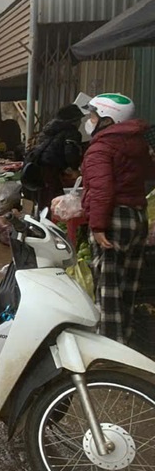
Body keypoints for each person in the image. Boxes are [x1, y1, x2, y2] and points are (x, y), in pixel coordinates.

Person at [80, 93, 155, 344]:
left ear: (106, 118)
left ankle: (111, 350)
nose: (89, 120)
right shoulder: (138, 143)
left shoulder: (101, 148)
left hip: (113, 218)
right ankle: (126, 339)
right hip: (137, 218)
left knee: (108, 289)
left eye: (92, 115)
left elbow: (103, 189)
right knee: (127, 287)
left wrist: (98, 226)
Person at [22, 104, 84, 214]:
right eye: (79, 120)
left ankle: (42, 220)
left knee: (44, 197)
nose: (81, 123)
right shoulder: (72, 132)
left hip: (39, 166)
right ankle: (52, 223)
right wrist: (75, 169)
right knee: (54, 197)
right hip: (51, 168)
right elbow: (70, 152)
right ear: (74, 120)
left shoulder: (50, 129)